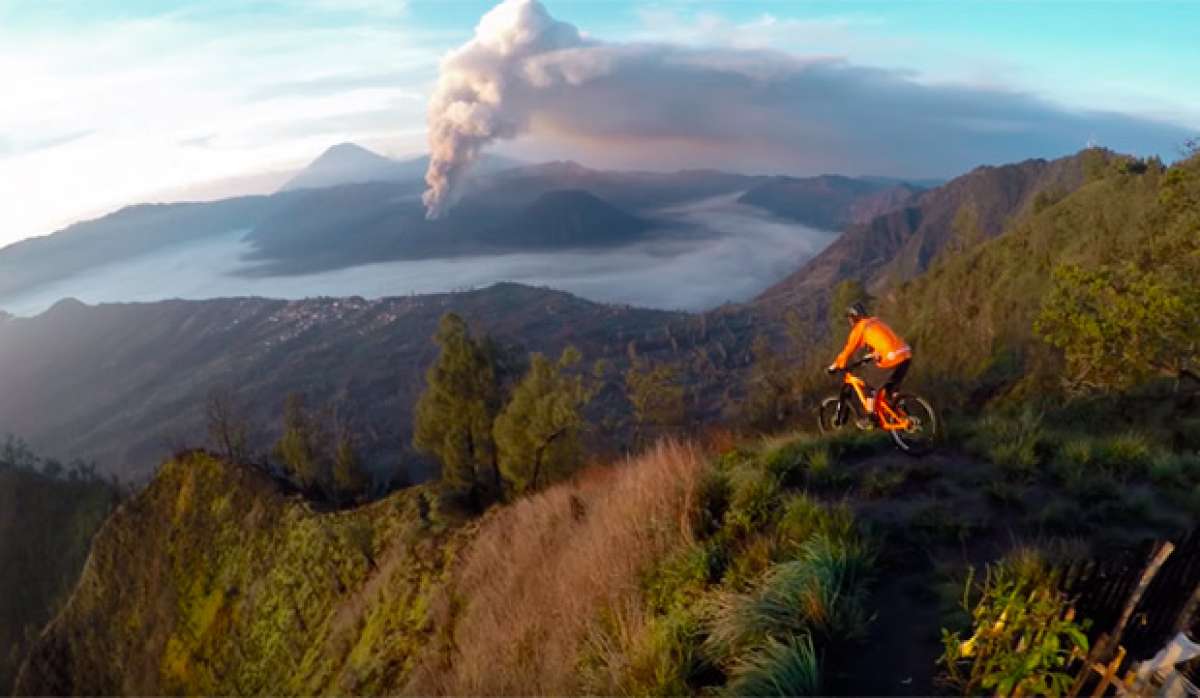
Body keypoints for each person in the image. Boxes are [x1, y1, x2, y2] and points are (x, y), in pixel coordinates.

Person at [826, 302, 912, 414]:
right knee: (891, 388)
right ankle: (904, 415)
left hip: (892, 357)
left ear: (855, 317)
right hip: (905, 352)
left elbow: (848, 350)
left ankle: (871, 416)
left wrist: (835, 365)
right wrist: (873, 354)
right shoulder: (876, 321)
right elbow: (883, 340)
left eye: (850, 318)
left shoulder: (860, 328)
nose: (849, 321)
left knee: (870, 386)